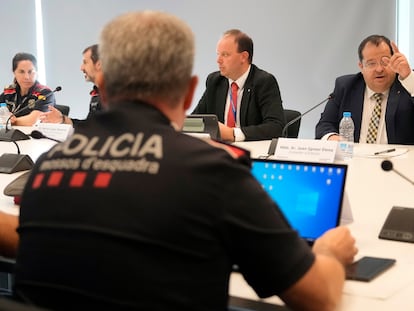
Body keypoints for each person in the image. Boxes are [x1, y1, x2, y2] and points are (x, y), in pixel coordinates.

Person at [10, 11, 357, 311]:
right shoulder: (213, 173)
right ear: (190, 92)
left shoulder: (48, 166)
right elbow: (319, 298)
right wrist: (329, 251)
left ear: (102, 83)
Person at [315, 34, 414, 144]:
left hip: (398, 160)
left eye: (385, 61)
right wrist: (332, 138)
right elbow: (324, 125)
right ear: (361, 67)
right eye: (371, 63)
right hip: (355, 158)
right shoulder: (346, 86)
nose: (379, 69)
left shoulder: (407, 86)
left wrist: (409, 77)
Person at [192, 29, 285, 142]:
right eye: (218, 54)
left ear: (243, 57)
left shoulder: (264, 82)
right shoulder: (215, 81)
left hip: (251, 152)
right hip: (219, 151)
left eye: (225, 55)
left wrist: (233, 134)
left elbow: (275, 127)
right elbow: (195, 121)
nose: (218, 60)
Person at [39, 44, 103, 126]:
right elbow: (90, 126)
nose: (81, 68)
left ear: (99, 64)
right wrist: (63, 119)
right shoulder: (97, 93)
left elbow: (101, 130)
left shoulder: (115, 95)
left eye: (85, 62)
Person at [0, 53, 56, 126]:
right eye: (21, 72)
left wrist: (10, 121)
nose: (27, 77)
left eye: (30, 72)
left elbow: (34, 120)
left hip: (34, 136)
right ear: (14, 72)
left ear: (36, 72)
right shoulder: (9, 92)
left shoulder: (45, 93)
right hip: (9, 135)